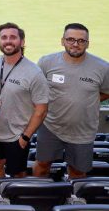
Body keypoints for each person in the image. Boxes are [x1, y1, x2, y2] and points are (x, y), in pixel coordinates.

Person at [33, 23, 109, 179]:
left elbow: (106, 92)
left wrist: (86, 99)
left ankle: (74, 202)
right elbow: (37, 91)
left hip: (82, 131)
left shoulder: (102, 67)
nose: (75, 44)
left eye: (81, 41)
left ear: (88, 43)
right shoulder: (46, 62)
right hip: (50, 126)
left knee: (77, 171)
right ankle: (40, 196)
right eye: (71, 39)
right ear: (62, 41)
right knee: (42, 165)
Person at [0, 22, 49, 181]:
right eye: (3, 37)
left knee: (17, 172)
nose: (8, 41)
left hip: (17, 134)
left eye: (13, 37)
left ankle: (17, 201)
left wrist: (25, 137)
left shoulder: (34, 72)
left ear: (22, 41)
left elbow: (41, 109)